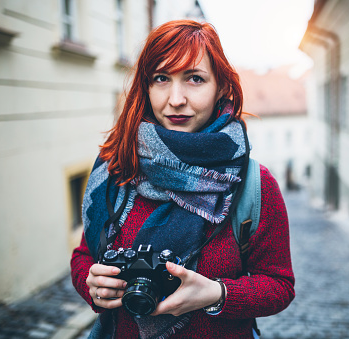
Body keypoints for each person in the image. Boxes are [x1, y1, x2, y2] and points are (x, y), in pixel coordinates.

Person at [71, 19, 294, 339]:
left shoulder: (253, 184)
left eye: (194, 79)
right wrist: (91, 285)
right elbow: (85, 256)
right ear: (145, 87)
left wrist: (218, 295)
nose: (176, 99)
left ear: (221, 87)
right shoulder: (117, 167)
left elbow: (280, 286)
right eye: (161, 78)